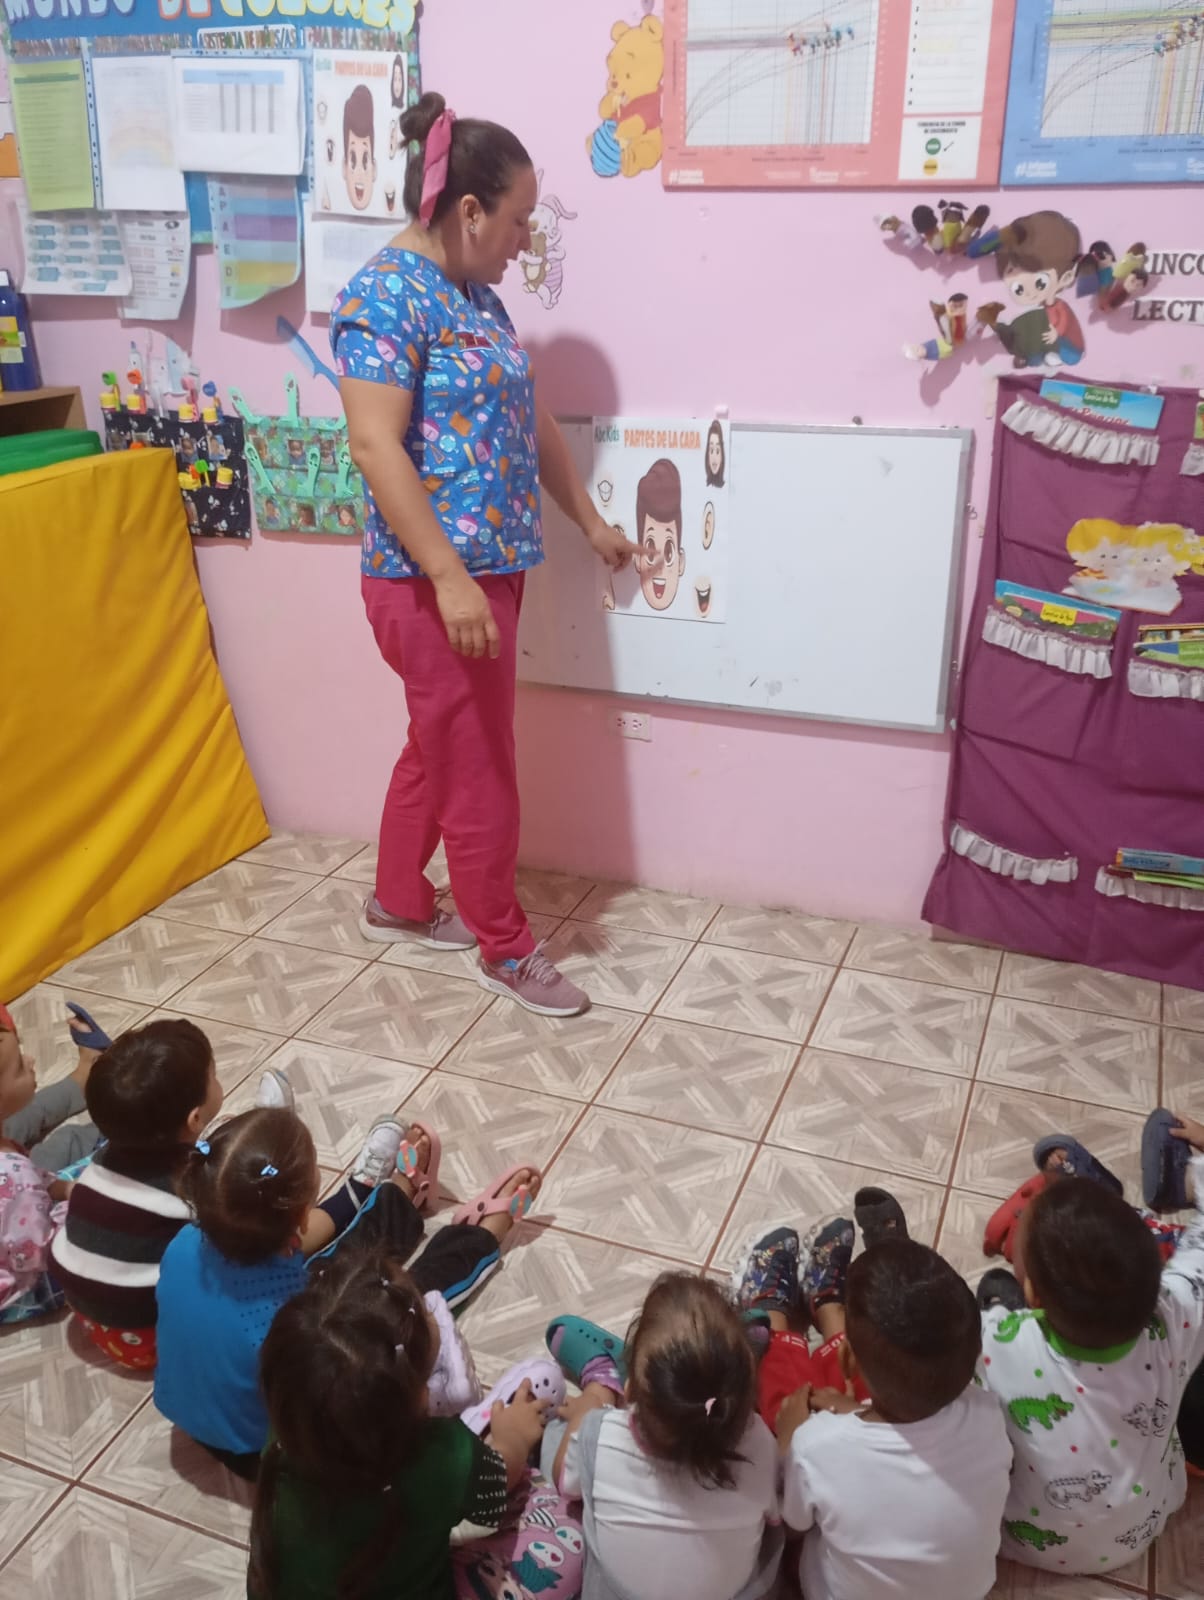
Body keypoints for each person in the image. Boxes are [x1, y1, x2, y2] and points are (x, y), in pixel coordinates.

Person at [331, 90, 646, 1019]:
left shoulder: (475, 297)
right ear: (468, 210)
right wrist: (449, 577)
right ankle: (503, 948)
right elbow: (374, 445)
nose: (524, 239)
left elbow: (528, 417)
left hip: (485, 574)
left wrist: (587, 520)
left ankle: (397, 901)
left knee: (441, 744)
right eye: (517, 219)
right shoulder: (384, 297)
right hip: (431, 584)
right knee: (478, 766)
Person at [154, 1106, 538, 1478]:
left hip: (193, 1417)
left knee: (336, 1265)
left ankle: (399, 1195)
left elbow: (295, 1243)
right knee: (398, 1304)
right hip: (264, 1451)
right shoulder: (293, 1323)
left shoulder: (186, 1241)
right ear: (301, 1215)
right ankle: (482, 1235)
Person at [248, 1244, 582, 1600]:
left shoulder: (290, 1430)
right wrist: (514, 1437)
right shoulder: (444, 1454)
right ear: (423, 1397)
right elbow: (498, 1489)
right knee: (568, 1534)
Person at [977, 1136, 1204, 1573]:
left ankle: (1001, 1300)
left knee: (990, 1301)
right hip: (1146, 1523)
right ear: (1159, 1278)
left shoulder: (996, 1345)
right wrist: (1197, 1169)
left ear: (1033, 1296)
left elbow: (933, 1365)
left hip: (1031, 1542)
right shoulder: (1178, 1314)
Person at [775, 1237, 1011, 1600]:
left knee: (784, 1400)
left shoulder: (815, 1447)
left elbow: (793, 1526)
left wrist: (787, 1443)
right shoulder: (987, 1414)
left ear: (847, 1360)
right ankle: (829, 1310)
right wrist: (851, 1410)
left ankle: (790, 1321)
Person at [539, 1274, 782, 1600]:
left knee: (557, 1433)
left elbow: (565, 1482)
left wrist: (593, 1403)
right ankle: (722, 1366)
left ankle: (602, 1379)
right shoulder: (760, 1444)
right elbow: (775, 1517)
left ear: (630, 1392)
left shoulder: (601, 1436)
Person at [50, 1018, 226, 1368]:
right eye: (214, 1076)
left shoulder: (101, 1161)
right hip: (150, 1338)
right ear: (194, 1119)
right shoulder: (191, 1187)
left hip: (88, 1320)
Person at [0, 1002, 80, 1324]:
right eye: (21, 1065)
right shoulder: (16, 1177)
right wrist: (77, 1209)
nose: (32, 1060)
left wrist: (60, 1187)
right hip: (24, 1281)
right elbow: (36, 1255)